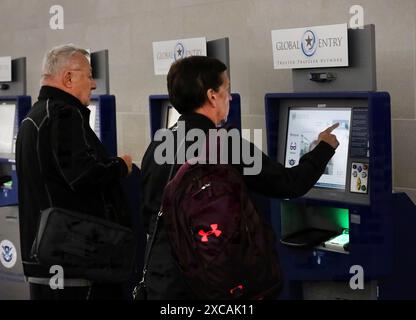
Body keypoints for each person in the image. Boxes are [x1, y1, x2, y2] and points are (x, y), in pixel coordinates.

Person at [140, 55, 339, 300]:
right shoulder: (225, 145)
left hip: (162, 278)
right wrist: (323, 148)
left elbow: (149, 210)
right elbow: (291, 183)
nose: (230, 97)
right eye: (227, 89)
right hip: (207, 281)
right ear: (212, 96)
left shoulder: (158, 143)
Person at [16, 44, 133, 300]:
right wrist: (120, 166)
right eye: (89, 75)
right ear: (68, 78)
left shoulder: (34, 116)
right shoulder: (63, 114)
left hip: (47, 259)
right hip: (74, 264)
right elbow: (84, 176)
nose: (93, 85)